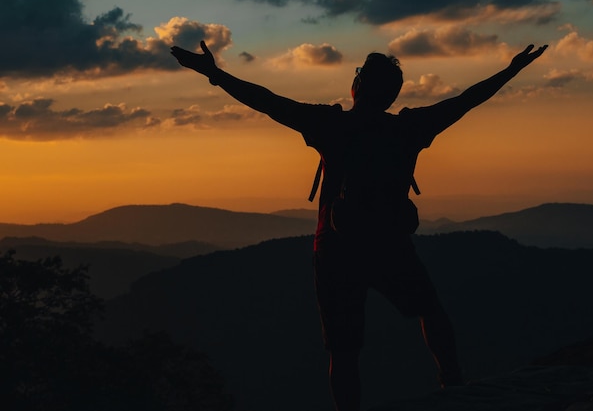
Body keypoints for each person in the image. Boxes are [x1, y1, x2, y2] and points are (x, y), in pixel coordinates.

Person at [171, 41, 547, 411]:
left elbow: (267, 101)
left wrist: (215, 75)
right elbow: (465, 100)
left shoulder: (329, 124)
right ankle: (452, 383)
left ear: (357, 86)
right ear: (392, 95)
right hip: (391, 246)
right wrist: (511, 70)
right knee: (431, 312)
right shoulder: (409, 128)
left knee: (344, 350)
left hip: (335, 251)